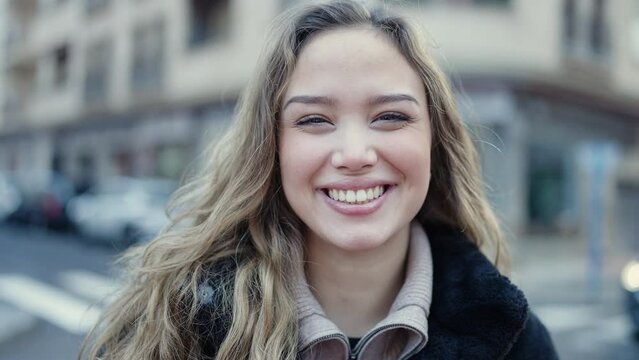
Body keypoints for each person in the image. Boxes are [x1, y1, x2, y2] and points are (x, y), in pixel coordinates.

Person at [81, 1, 559, 359]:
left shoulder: (516, 340)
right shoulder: (171, 326)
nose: (354, 155)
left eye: (391, 116)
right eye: (313, 120)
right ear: (273, 149)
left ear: (434, 143)